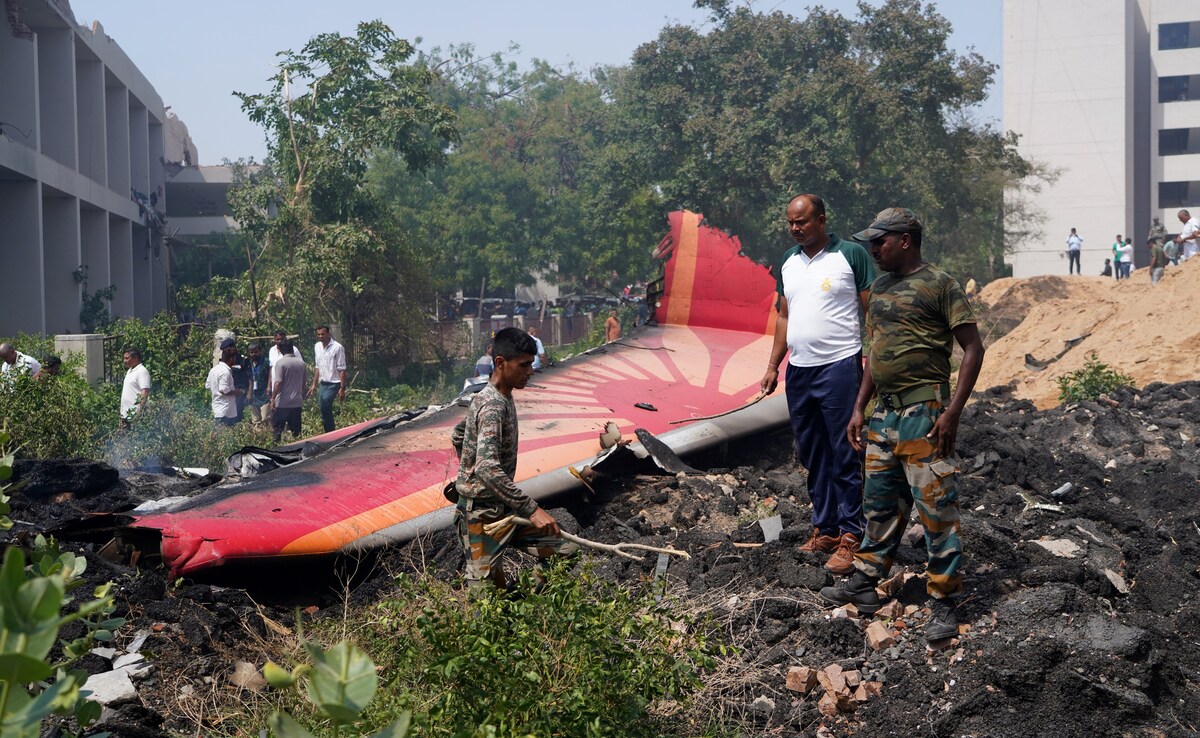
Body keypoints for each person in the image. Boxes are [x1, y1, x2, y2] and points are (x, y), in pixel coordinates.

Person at [820, 207, 985, 645]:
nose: (873, 249)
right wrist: (860, 406)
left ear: (905, 240)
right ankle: (866, 582)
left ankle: (944, 599)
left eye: (880, 242)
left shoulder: (940, 284)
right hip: (884, 416)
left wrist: (953, 412)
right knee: (880, 504)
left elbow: (973, 348)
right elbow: (876, 354)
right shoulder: (881, 288)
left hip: (924, 416)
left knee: (935, 511)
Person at [760, 193, 876, 575]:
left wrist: (877, 359)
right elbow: (783, 317)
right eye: (791, 223)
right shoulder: (789, 263)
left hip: (839, 366)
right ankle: (824, 527)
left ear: (822, 220)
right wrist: (773, 364)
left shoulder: (851, 256)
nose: (795, 228)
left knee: (844, 451)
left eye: (803, 222)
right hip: (800, 370)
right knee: (811, 453)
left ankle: (851, 534)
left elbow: (871, 311)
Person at [450, 327, 576, 591]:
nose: (530, 371)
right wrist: (532, 509)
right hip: (482, 516)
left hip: (505, 508)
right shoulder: (493, 406)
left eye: (531, 364)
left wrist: (466, 470)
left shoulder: (495, 397)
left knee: (564, 548)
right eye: (523, 365)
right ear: (500, 363)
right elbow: (486, 467)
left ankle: (517, 601)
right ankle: (505, 608)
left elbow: (458, 434)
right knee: (484, 600)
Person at [310, 325, 347, 433]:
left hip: (334, 382)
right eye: (318, 334)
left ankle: (331, 431)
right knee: (322, 407)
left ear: (328, 333)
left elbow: (342, 369)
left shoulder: (337, 347)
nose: (320, 336)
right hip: (323, 382)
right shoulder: (317, 346)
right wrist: (314, 384)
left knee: (326, 402)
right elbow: (317, 366)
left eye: (323, 334)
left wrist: (342, 388)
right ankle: (329, 431)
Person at [271, 340, 306, 442]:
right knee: (296, 433)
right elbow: (303, 383)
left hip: (282, 403)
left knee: (277, 433)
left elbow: (278, 383)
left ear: (281, 350)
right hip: (297, 403)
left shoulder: (280, 363)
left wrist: (273, 398)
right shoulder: (301, 363)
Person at [206, 345, 240, 427]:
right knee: (224, 435)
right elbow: (224, 390)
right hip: (225, 410)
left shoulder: (213, 370)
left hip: (217, 407)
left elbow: (207, 385)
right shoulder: (225, 372)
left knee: (219, 434)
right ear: (231, 359)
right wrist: (237, 392)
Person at [119, 348, 151, 428]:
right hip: (125, 414)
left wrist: (139, 411)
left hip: (134, 415)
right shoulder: (130, 370)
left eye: (127, 358)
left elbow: (145, 391)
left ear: (135, 358)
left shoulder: (142, 371)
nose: (124, 361)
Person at [221, 338, 249, 423]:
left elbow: (250, 377)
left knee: (238, 413)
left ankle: (237, 430)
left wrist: (249, 393)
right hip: (229, 391)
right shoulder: (223, 360)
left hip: (240, 392)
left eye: (228, 348)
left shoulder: (244, 359)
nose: (226, 351)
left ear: (233, 347)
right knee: (227, 415)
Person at [246, 343, 272, 424]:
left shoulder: (266, 362)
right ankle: (258, 436)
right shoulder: (248, 363)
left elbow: (270, 376)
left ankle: (267, 436)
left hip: (265, 395)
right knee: (256, 421)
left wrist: (269, 387)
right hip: (253, 396)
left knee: (266, 420)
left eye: (256, 352)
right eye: (251, 352)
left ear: (260, 351)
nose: (253, 354)